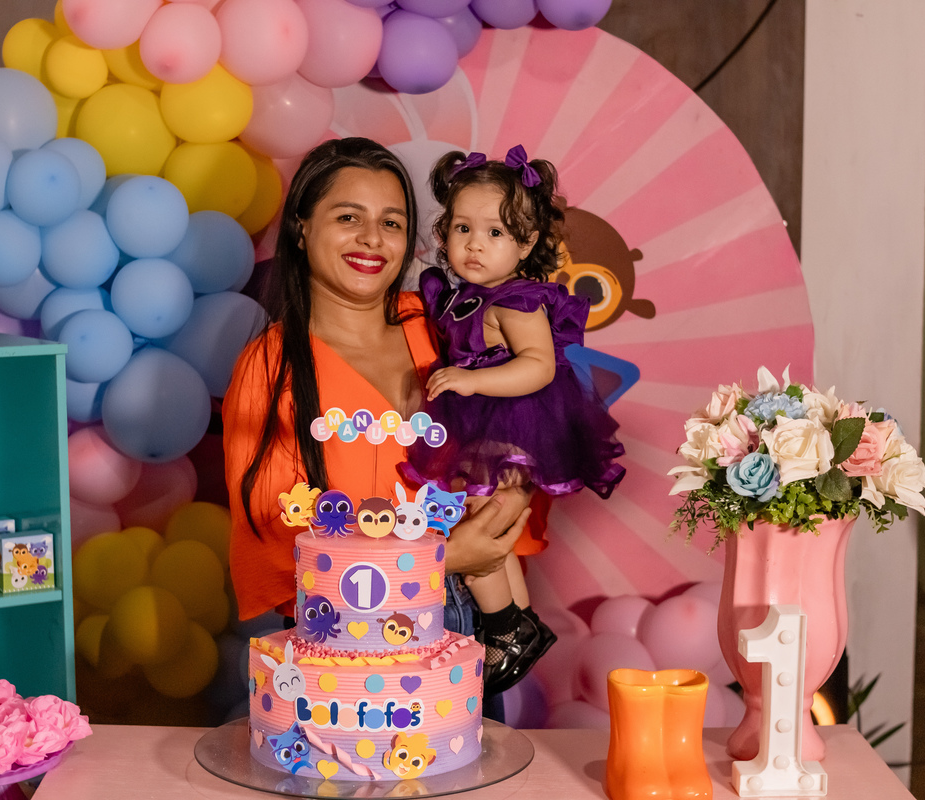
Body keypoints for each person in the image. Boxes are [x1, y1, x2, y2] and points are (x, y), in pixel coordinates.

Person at [223, 137, 533, 712]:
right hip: (349, 642)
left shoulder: (439, 324)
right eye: (348, 217)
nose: (372, 239)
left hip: (472, 629)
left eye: (391, 222)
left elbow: (521, 420)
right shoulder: (271, 367)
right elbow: (279, 547)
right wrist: (441, 560)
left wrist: (515, 488)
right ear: (301, 228)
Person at [403, 146, 626, 693]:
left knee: (480, 522)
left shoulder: (515, 301)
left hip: (509, 421)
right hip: (481, 419)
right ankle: (520, 624)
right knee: (485, 522)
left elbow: (539, 365)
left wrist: (472, 379)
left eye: (495, 233)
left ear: (526, 245)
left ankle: (505, 626)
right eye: (462, 228)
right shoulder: (465, 296)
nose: (475, 244)